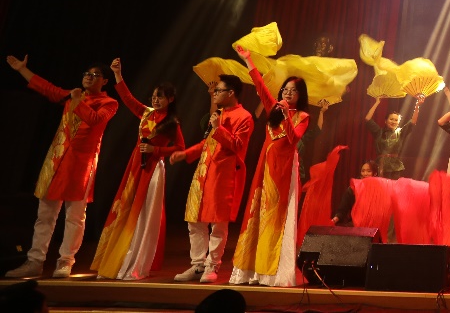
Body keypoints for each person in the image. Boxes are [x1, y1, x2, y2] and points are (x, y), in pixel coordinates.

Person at [4, 55, 118, 280]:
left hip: (81, 164)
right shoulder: (72, 95)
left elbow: (95, 119)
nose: (89, 77)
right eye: (87, 73)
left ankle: (66, 261)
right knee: (44, 215)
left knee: (75, 216)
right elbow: (48, 88)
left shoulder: (109, 103)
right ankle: (34, 262)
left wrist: (77, 101)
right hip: (56, 161)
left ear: (104, 81)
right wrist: (22, 70)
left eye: (95, 75)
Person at [90, 58, 184, 280]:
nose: (155, 100)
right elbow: (128, 98)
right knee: (126, 208)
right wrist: (118, 75)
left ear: (170, 99)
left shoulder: (172, 123)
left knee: (144, 214)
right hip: (135, 166)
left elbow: (180, 148)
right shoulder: (147, 113)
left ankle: (136, 264)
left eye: (160, 97)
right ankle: (117, 262)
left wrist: (156, 149)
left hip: (153, 170)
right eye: (154, 96)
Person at [228, 45, 309, 286]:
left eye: (293, 91)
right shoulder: (273, 108)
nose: (288, 93)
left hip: (284, 171)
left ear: (300, 95)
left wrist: (286, 117)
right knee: (257, 214)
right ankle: (254, 271)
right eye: (285, 89)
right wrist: (248, 60)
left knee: (277, 216)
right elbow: (260, 86)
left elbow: (293, 140)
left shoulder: (303, 117)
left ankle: (273, 273)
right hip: (265, 169)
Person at [172, 74, 254, 284]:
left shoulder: (244, 117)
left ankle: (212, 265)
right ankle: (198, 264)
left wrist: (219, 128)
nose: (215, 94)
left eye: (218, 90)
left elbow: (238, 146)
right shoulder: (219, 114)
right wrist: (186, 154)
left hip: (223, 175)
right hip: (203, 173)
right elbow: (207, 143)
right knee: (195, 220)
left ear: (231, 93)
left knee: (218, 223)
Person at [364, 93, 422, 180]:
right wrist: (377, 102)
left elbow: (413, 121)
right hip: (380, 166)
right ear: (386, 121)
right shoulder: (378, 132)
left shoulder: (401, 132)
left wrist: (417, 106)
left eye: (396, 120)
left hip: (395, 168)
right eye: (391, 119)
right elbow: (368, 119)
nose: (393, 122)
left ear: (398, 123)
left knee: (393, 187)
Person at [331, 160, 378, 225]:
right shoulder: (353, 189)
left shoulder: (378, 189)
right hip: (356, 225)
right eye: (363, 171)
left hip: (374, 224)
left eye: (369, 171)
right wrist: (333, 220)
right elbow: (342, 210)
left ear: (375, 174)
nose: (365, 174)